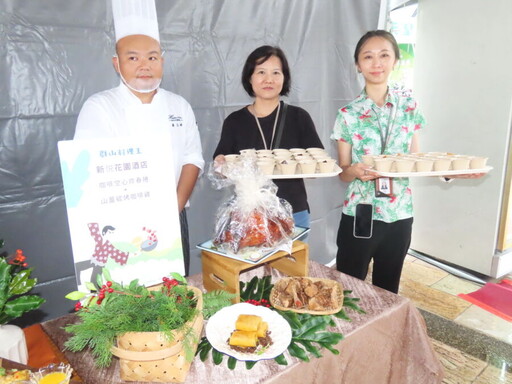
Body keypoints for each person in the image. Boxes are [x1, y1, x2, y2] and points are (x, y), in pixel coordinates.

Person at [331, 30, 483, 294]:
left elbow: (416, 160)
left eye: (384, 55)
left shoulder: (408, 105)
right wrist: (353, 171)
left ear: (395, 61)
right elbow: (342, 172)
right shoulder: (347, 114)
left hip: (400, 213)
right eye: (368, 56)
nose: (376, 63)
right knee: (348, 287)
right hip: (361, 212)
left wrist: (450, 174)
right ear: (358, 64)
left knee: (388, 288)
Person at [74, 0, 204, 275]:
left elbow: (193, 159)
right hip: (117, 227)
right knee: (126, 301)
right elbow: (85, 172)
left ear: (162, 61)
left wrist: (171, 211)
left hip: (172, 215)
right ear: (116, 63)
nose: (144, 65)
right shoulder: (99, 107)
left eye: (152, 57)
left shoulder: (179, 105)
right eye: (133, 57)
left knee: (173, 295)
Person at [213, 45, 324, 229]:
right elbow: (221, 166)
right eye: (261, 72)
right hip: (249, 212)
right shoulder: (234, 121)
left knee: (293, 258)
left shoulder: (299, 117)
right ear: (250, 77)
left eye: (276, 73)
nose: (268, 79)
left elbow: (317, 166)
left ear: (284, 77)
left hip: (294, 212)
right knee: (251, 257)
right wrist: (220, 164)